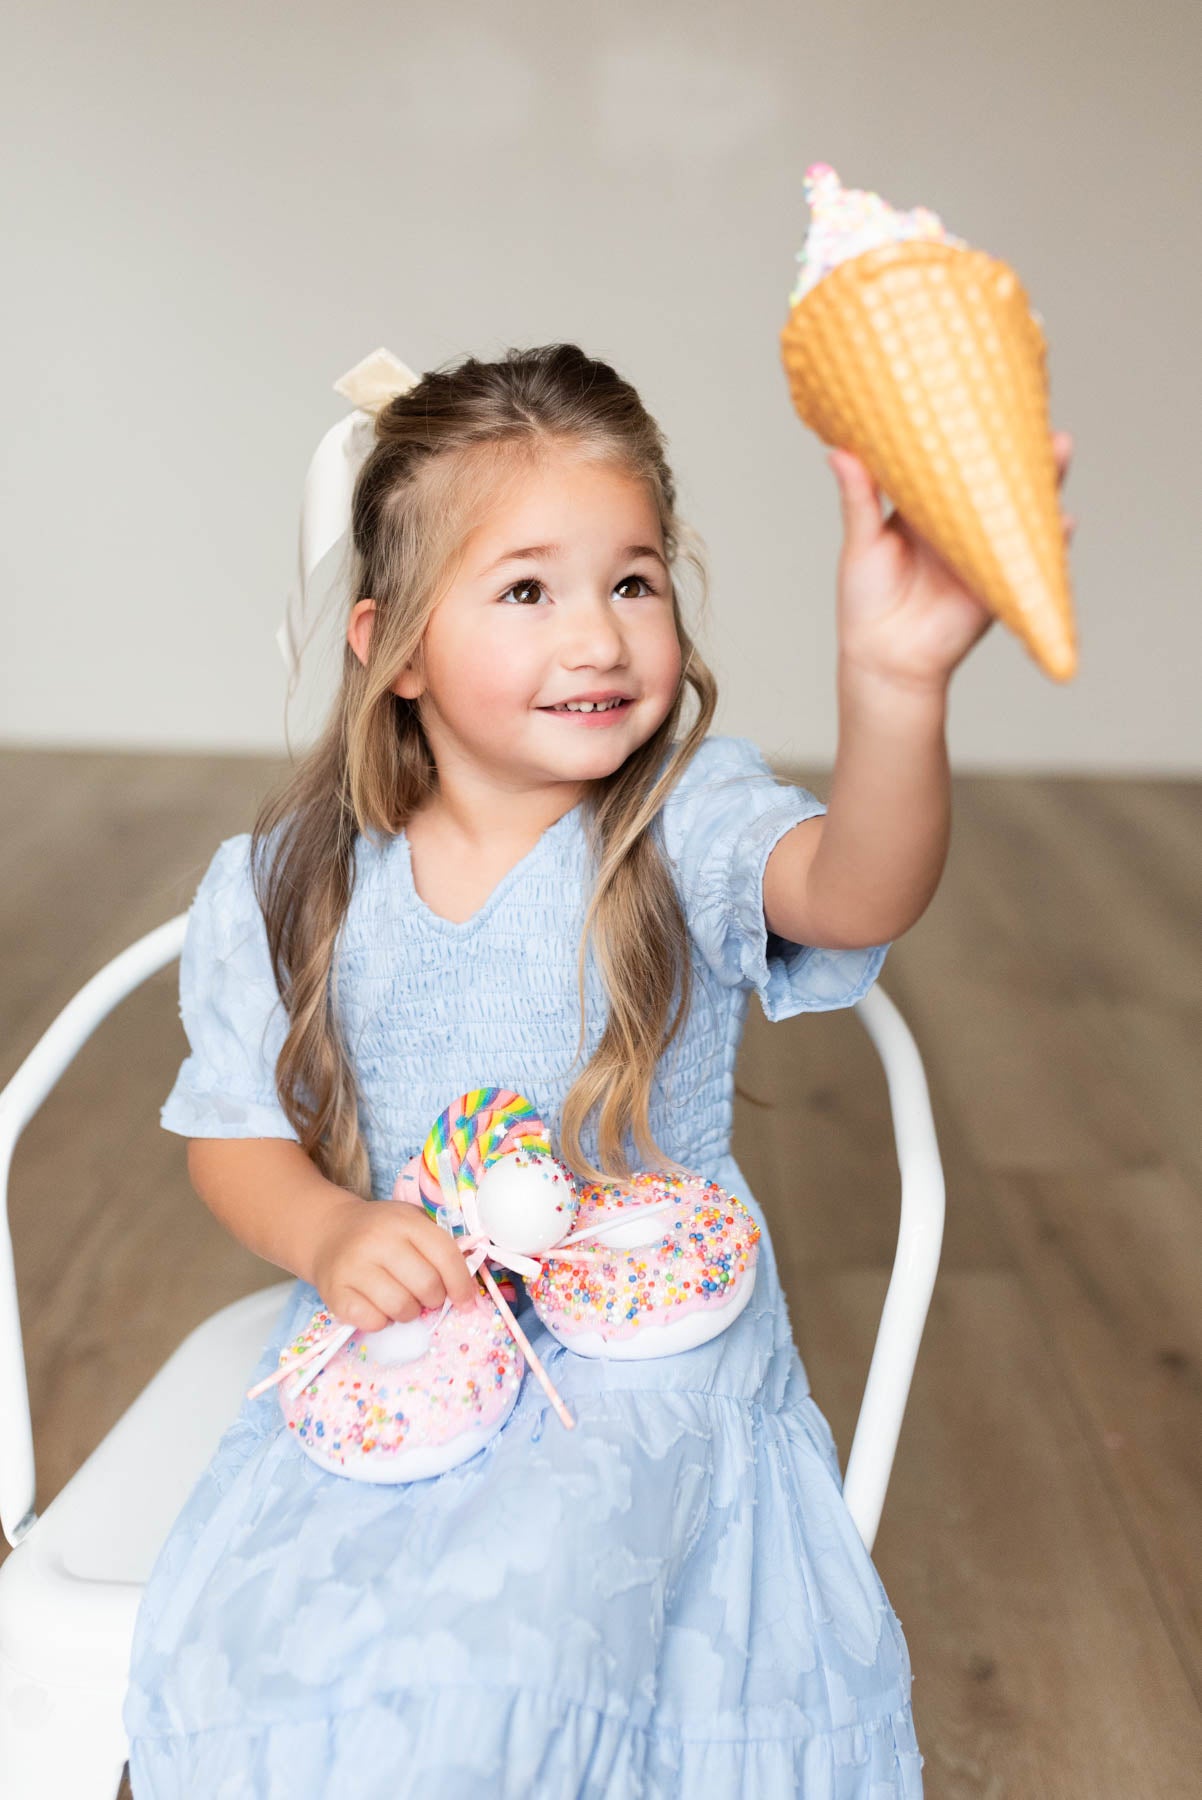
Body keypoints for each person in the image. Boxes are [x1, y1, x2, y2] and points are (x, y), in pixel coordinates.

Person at [122, 342, 1074, 1797]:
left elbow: (855, 890)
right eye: (525, 590)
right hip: (416, 1332)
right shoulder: (285, 881)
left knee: (542, 1613)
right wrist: (327, 1230)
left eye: (632, 581)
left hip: (648, 1356)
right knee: (321, 1636)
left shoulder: (680, 821)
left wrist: (893, 685)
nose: (598, 638)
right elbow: (236, 1137)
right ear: (392, 649)